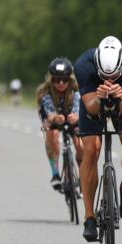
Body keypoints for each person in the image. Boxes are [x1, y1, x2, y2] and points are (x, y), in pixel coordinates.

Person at [75, 36, 122, 242]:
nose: (109, 80)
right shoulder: (83, 65)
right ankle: (89, 217)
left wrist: (119, 96)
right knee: (92, 149)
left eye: (114, 76)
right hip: (93, 101)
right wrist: (100, 96)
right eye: (105, 76)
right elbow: (91, 107)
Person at [37, 59, 83, 191]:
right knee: (52, 135)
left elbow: (78, 109)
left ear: (70, 79)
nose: (61, 83)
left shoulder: (76, 91)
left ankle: (82, 174)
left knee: (80, 144)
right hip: (54, 121)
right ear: (51, 80)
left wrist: (75, 117)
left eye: (64, 80)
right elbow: (49, 113)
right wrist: (55, 118)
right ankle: (55, 173)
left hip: (73, 119)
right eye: (57, 80)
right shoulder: (45, 93)